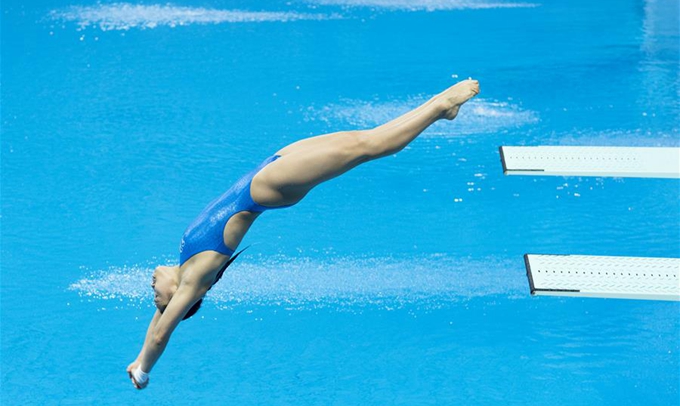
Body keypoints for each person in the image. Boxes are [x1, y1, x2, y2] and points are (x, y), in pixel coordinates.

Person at [126, 79, 480, 389]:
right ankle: (438, 108)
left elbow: (156, 325)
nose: (151, 290)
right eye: (156, 299)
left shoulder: (185, 268)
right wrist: (143, 371)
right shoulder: (194, 280)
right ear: (176, 298)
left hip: (270, 169)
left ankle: (438, 106)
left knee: (361, 140)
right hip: (272, 185)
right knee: (367, 148)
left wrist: (138, 355)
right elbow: (161, 333)